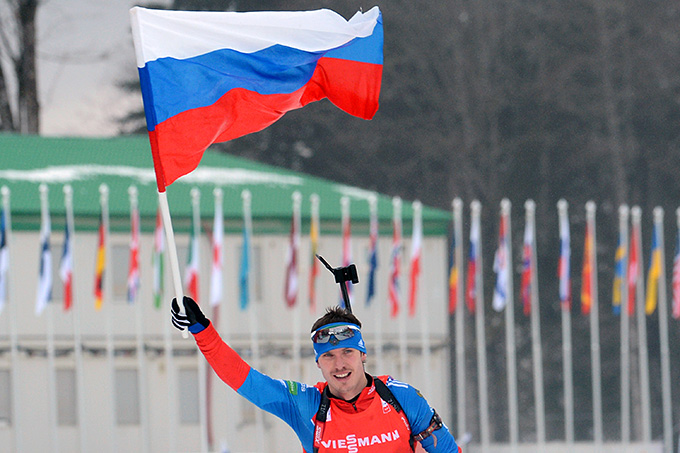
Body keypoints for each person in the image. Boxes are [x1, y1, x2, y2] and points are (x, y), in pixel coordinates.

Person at [172, 296, 460, 452]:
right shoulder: (305, 405)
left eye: (347, 352)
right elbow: (245, 380)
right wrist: (203, 332)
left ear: (363, 355)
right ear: (318, 364)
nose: (339, 365)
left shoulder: (401, 397)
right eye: (329, 356)